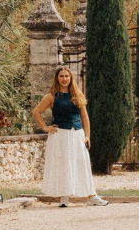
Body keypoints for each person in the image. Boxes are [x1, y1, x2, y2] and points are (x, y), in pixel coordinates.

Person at [33, 66, 108, 207]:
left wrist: (87, 136)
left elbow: (84, 116)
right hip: (60, 135)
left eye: (66, 76)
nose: (64, 79)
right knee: (62, 164)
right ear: (57, 78)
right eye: (61, 76)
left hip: (77, 134)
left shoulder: (77, 95)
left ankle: (91, 196)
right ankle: (64, 197)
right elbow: (37, 112)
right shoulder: (51, 96)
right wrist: (45, 127)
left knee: (82, 163)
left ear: (70, 78)